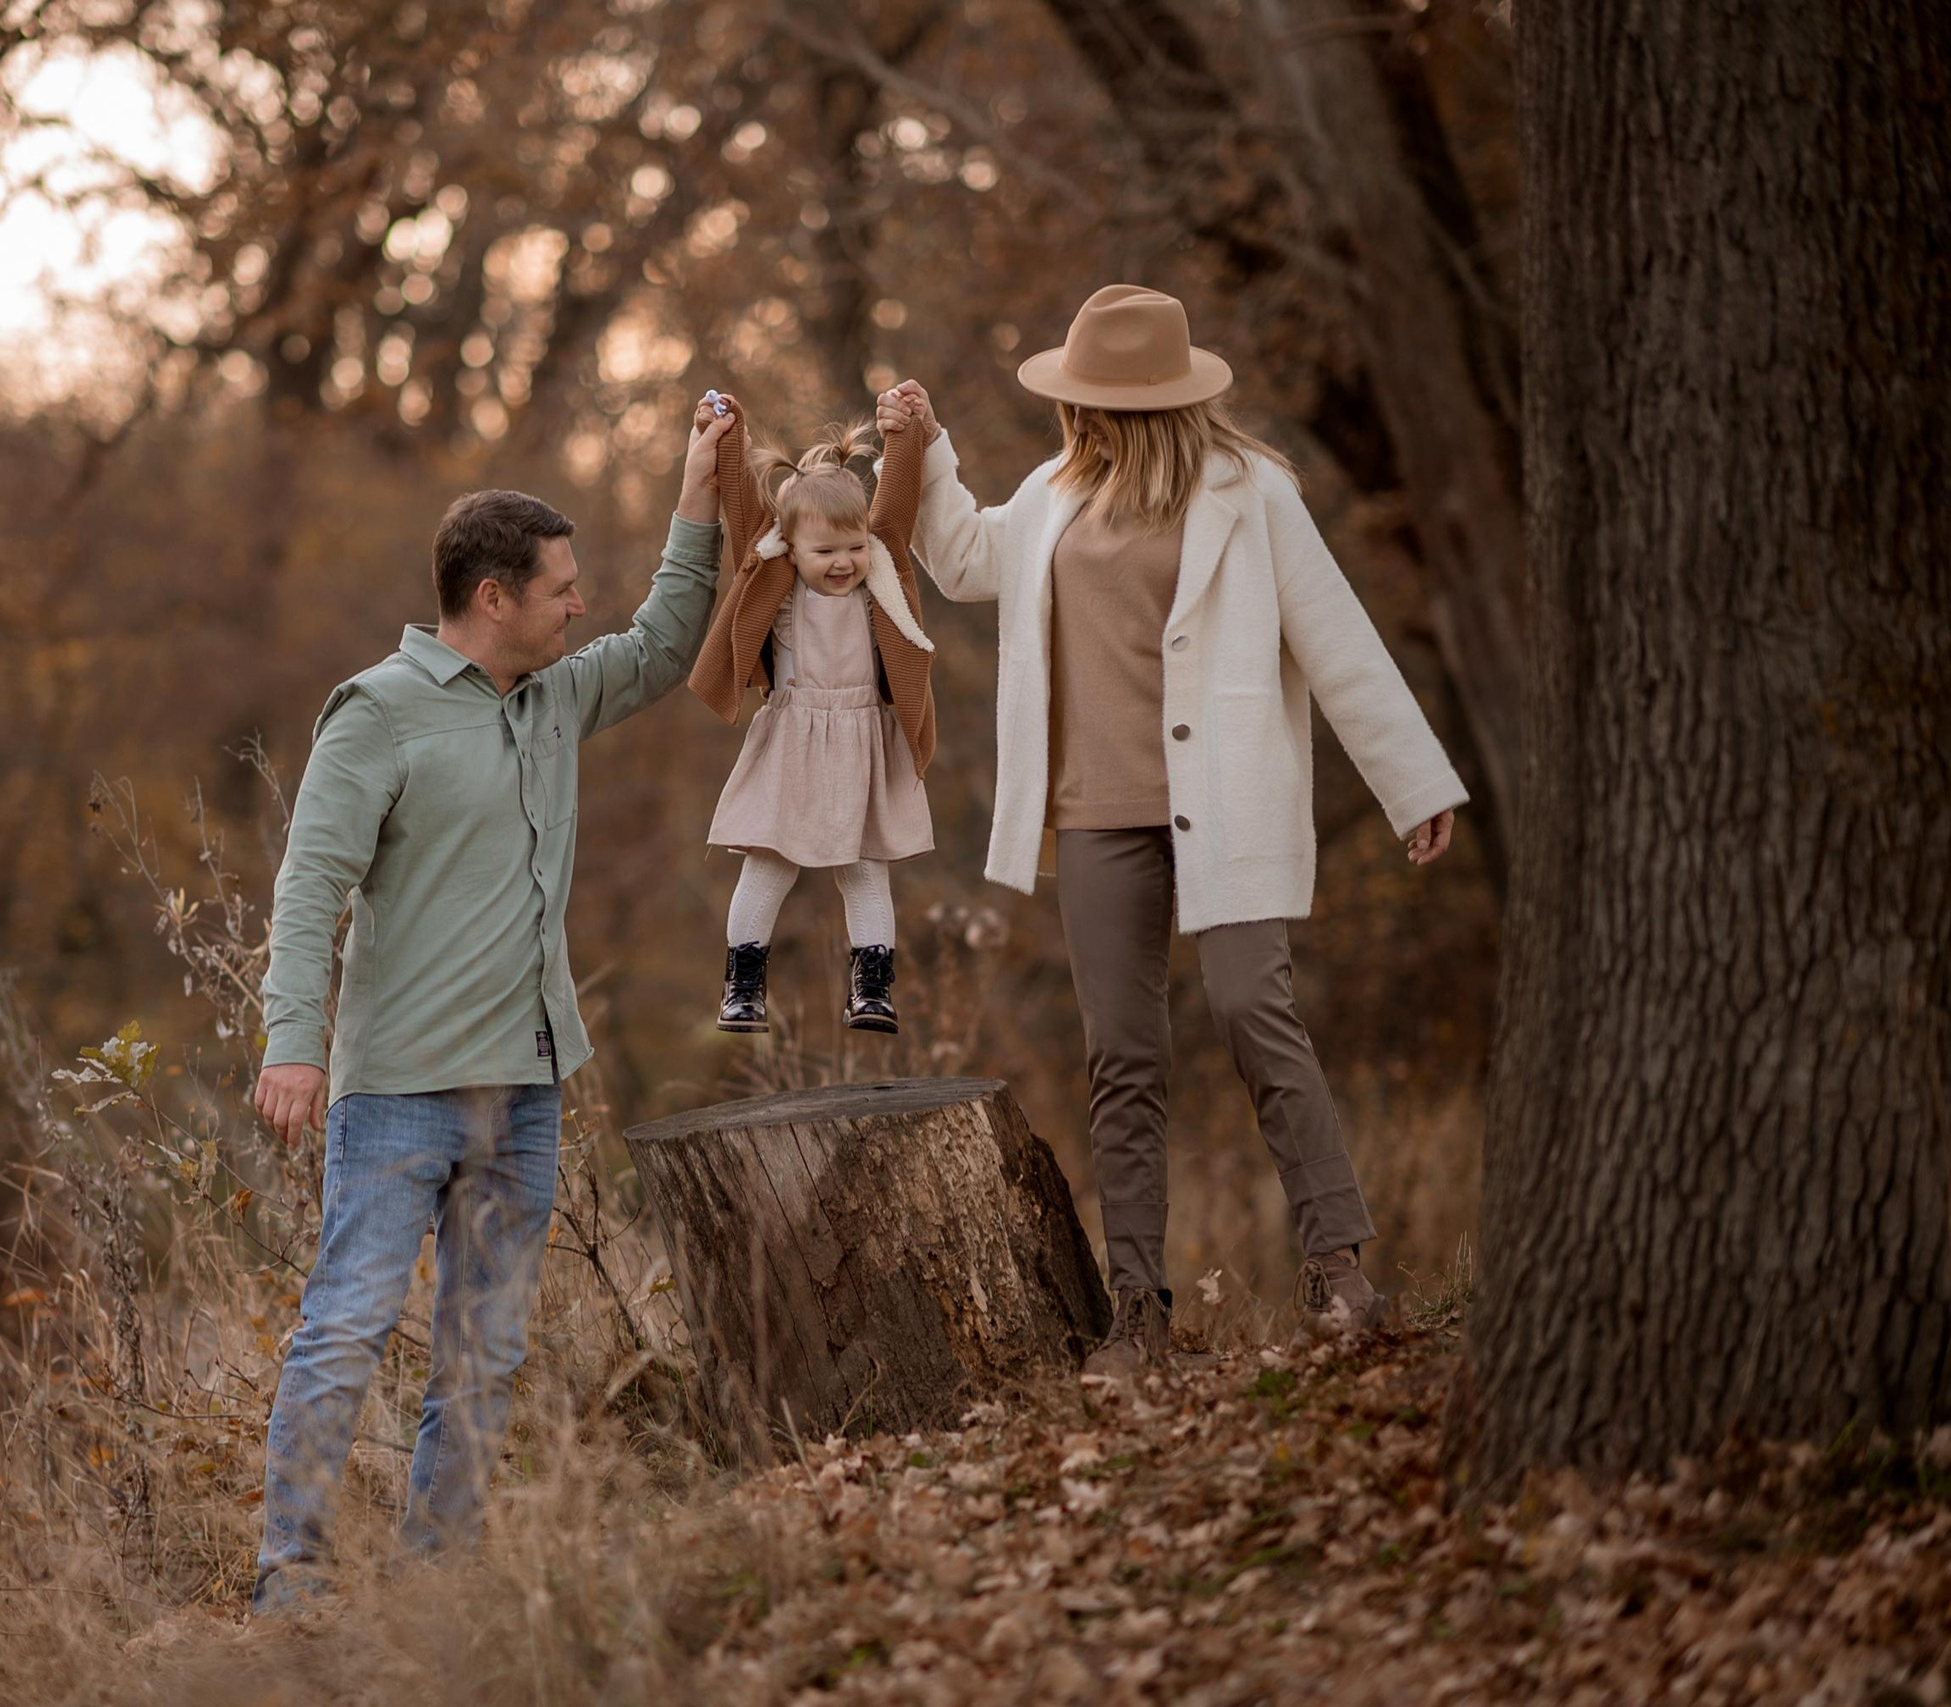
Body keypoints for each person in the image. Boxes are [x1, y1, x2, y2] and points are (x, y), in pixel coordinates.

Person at [881, 284, 1467, 1371]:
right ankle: (1138, 1311)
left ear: (1148, 402)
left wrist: (1412, 782)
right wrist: (928, 447)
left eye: (1096, 401)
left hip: (1226, 801)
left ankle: (1339, 1267)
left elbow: (1335, 637)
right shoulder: (1054, 493)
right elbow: (961, 561)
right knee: (1124, 1056)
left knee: (1255, 1012)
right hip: (1095, 814)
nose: (1080, 417)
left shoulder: (1251, 493)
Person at [247, 404, 732, 1609]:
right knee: (347, 1330)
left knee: (486, 1356)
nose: (580, 606)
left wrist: (698, 492)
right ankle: (290, 1583)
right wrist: (293, 1045)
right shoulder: (376, 711)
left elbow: (671, 642)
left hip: (523, 1089)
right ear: (492, 598)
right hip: (398, 1092)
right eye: (560, 589)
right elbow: (310, 888)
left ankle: (438, 1587)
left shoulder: (555, 698)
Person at [687, 391, 938, 1035]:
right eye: (824, 552)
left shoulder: (879, 569)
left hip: (862, 738)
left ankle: (872, 987)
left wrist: (905, 431)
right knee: (767, 865)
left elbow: (899, 503)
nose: (842, 563)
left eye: (852, 547)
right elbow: (743, 511)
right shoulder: (774, 573)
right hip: (793, 736)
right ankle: (743, 985)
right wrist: (729, 431)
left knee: (865, 870)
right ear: (790, 548)